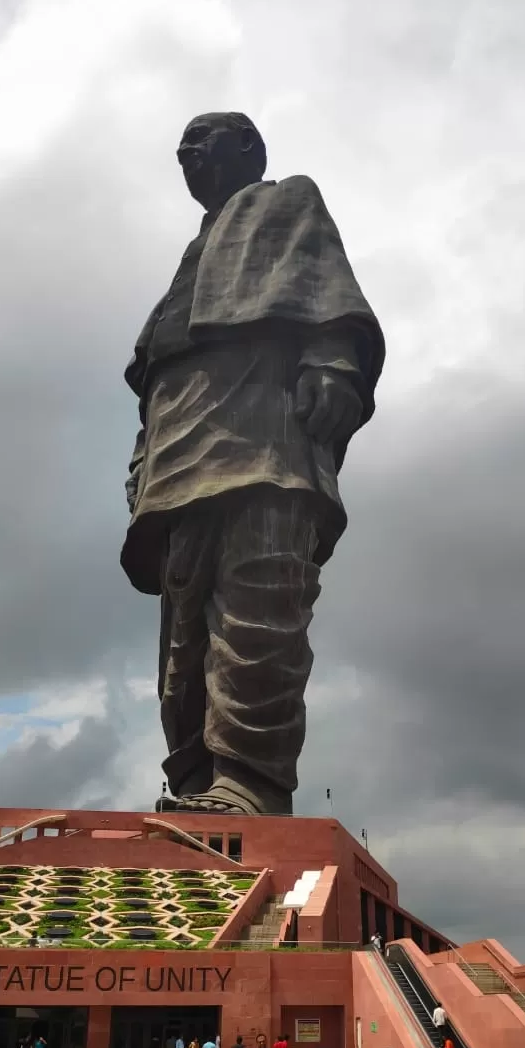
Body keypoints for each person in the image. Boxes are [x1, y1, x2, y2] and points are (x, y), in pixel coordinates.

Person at [123, 112, 384, 818]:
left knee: (259, 596)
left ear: (247, 146)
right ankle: (197, 778)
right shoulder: (192, 251)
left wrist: (332, 358)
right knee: (184, 628)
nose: (186, 159)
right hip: (180, 437)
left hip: (261, 422)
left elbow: (324, 288)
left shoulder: (286, 202)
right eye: (178, 153)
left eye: (198, 144)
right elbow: (152, 372)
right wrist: (143, 456)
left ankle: (249, 783)